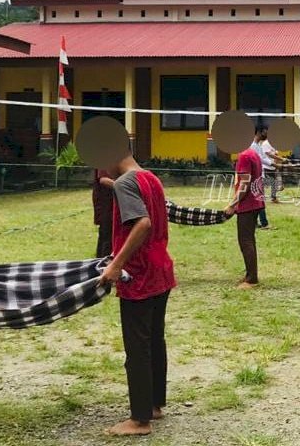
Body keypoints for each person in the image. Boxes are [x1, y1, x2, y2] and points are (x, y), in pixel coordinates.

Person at [97, 152, 176, 436]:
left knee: (137, 346)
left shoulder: (125, 183)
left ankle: (139, 419)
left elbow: (143, 223)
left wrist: (116, 265)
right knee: (155, 339)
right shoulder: (151, 178)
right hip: (161, 269)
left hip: (140, 274)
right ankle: (154, 404)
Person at [226, 142, 265, 289]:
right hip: (256, 201)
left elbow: (244, 183)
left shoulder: (244, 155)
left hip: (248, 203)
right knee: (249, 239)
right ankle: (250, 274)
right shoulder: (253, 153)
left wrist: (232, 204)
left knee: (245, 241)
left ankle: (251, 279)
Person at [249, 126, 277, 229]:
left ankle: (255, 223)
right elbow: (260, 159)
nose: (266, 135)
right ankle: (264, 223)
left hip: (259, 175)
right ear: (259, 133)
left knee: (257, 201)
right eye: (265, 133)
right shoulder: (253, 146)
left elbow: (264, 157)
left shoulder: (258, 145)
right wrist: (274, 164)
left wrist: (275, 163)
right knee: (259, 200)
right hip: (255, 177)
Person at [92, 168, 114, 258]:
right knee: (107, 236)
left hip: (112, 204)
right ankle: (103, 264)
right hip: (107, 204)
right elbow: (104, 180)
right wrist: (128, 187)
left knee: (106, 235)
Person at [261, 138, 285, 203]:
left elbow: (276, 154)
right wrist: (281, 159)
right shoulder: (265, 143)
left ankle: (273, 198)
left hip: (272, 166)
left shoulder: (274, 143)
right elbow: (269, 154)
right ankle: (260, 197)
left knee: (273, 183)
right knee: (265, 182)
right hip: (265, 166)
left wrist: (277, 165)